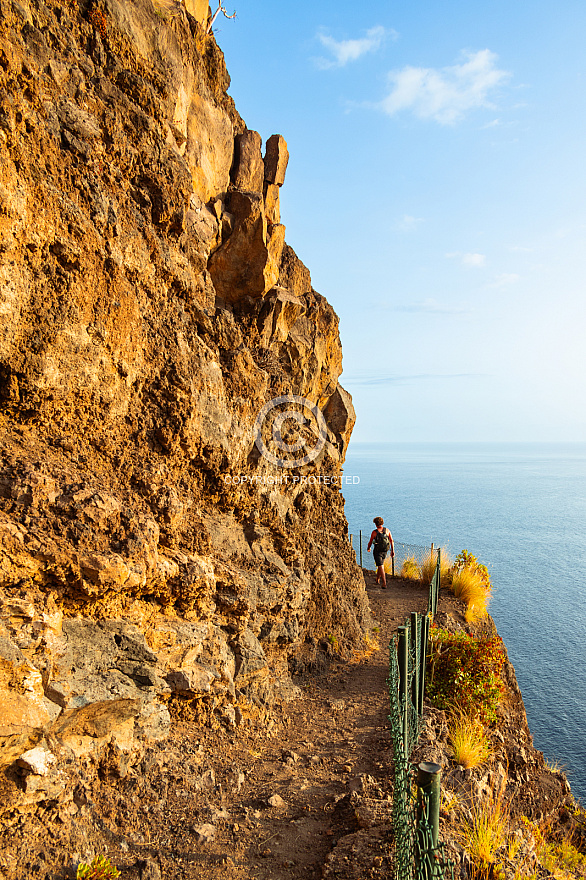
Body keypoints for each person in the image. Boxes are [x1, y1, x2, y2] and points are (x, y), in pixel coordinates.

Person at [367, 516, 394, 589]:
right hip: (385, 550)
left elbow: (370, 541)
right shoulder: (387, 530)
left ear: (375, 524)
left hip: (377, 551)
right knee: (380, 564)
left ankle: (384, 583)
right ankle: (377, 579)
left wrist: (368, 547)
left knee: (381, 565)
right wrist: (392, 550)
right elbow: (391, 540)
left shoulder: (374, 532)